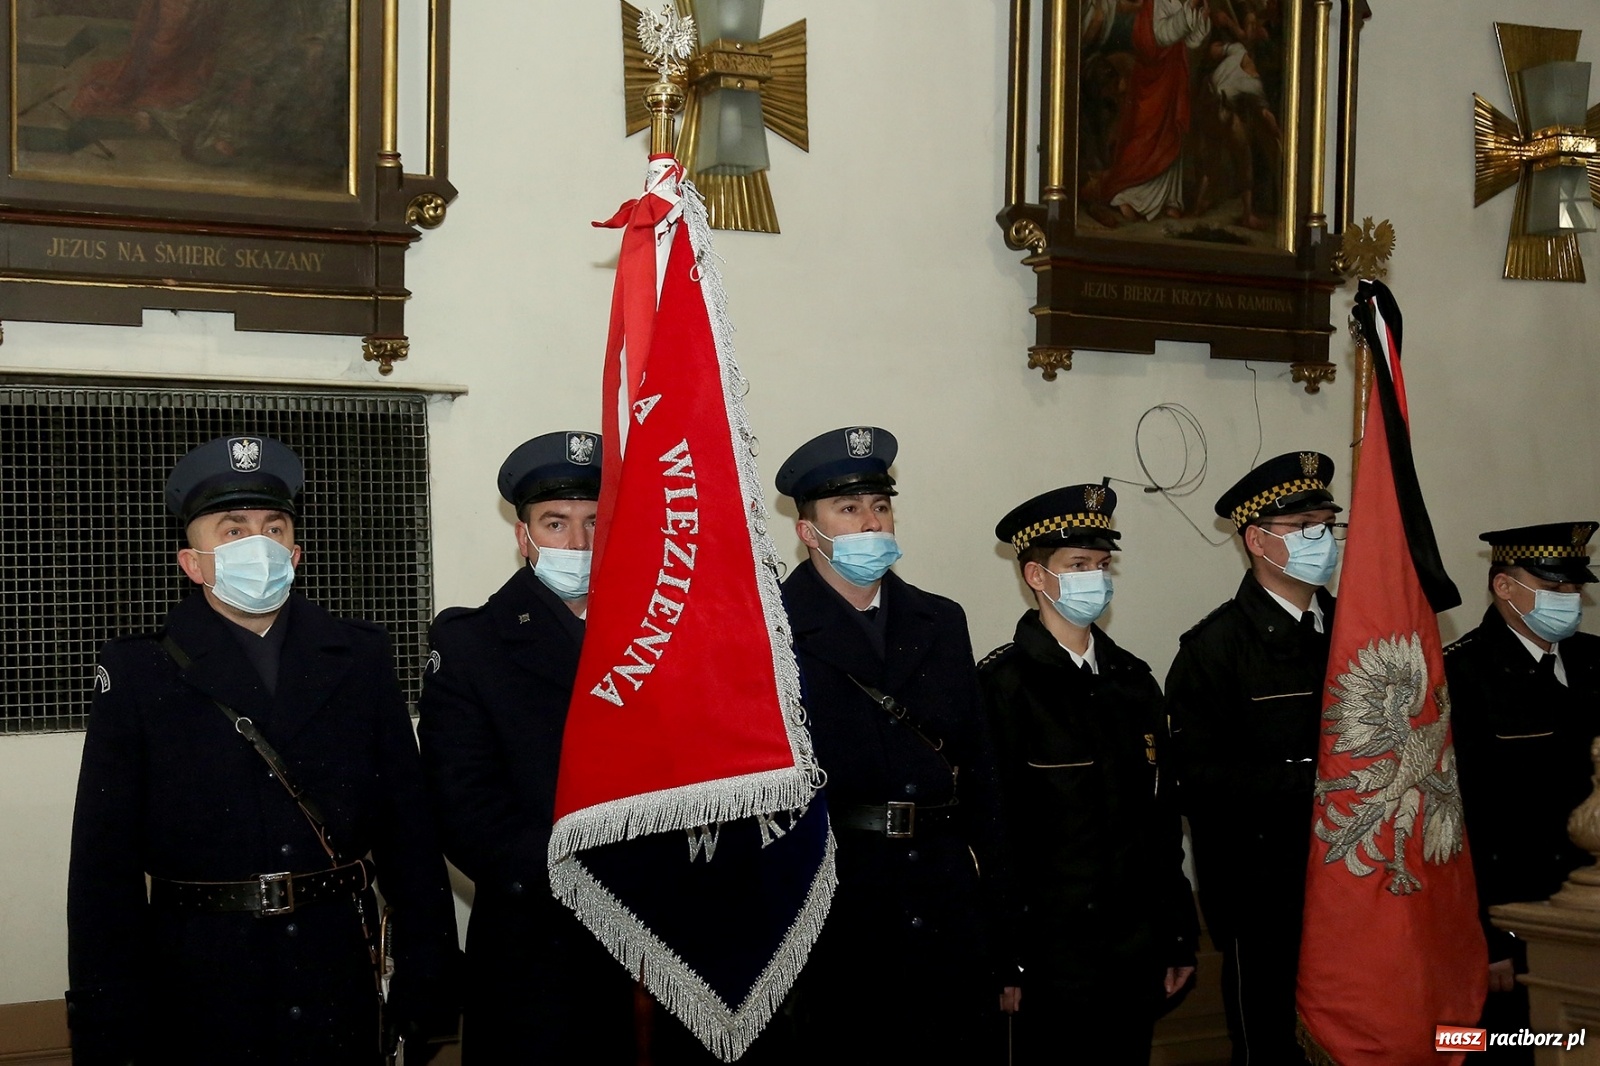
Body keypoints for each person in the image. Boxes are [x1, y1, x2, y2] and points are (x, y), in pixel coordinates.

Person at [66, 434, 459, 1065]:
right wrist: (105, 1012)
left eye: (274, 528)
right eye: (233, 529)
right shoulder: (140, 672)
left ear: (295, 553)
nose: (259, 545)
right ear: (193, 563)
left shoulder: (358, 656)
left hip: (337, 965)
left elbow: (406, 827)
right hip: (204, 976)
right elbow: (101, 864)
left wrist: (428, 970)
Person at [773, 426, 1012, 1061]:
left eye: (880, 506)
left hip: (944, 889)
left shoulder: (940, 619)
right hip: (840, 896)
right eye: (848, 508)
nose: (871, 523)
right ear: (808, 530)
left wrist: (1000, 911)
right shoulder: (771, 631)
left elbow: (980, 769)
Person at [415, 431, 640, 1064]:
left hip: (658, 937)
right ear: (524, 536)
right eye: (556, 523)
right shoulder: (473, 645)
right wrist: (587, 873)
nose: (580, 543)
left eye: (595, 522)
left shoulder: (656, 635)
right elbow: (464, 809)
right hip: (538, 938)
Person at [980, 485, 1197, 1064]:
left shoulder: (1133, 682)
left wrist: (1178, 933)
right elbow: (993, 837)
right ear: (1037, 575)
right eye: (1078, 565)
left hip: (1134, 948)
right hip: (1051, 958)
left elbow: (1161, 824)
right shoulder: (1003, 689)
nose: (1095, 578)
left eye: (1102, 564)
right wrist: (1005, 958)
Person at [1166, 450, 1342, 1066]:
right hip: (1266, 898)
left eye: (1328, 525)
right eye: (1304, 527)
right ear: (1258, 540)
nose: (1323, 540)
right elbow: (1196, 778)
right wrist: (1313, 781)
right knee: (1272, 1050)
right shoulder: (1214, 648)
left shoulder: (1357, 630)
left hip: (1359, 885)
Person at [1444, 522, 1600, 1064]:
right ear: (1504, 586)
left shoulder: (1595, 660)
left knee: (1583, 1046)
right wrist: (1491, 938)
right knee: (1508, 1046)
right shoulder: (1460, 673)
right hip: (1515, 916)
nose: (1569, 599)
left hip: (1587, 908)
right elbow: (1459, 820)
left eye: (1574, 587)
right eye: (1554, 588)